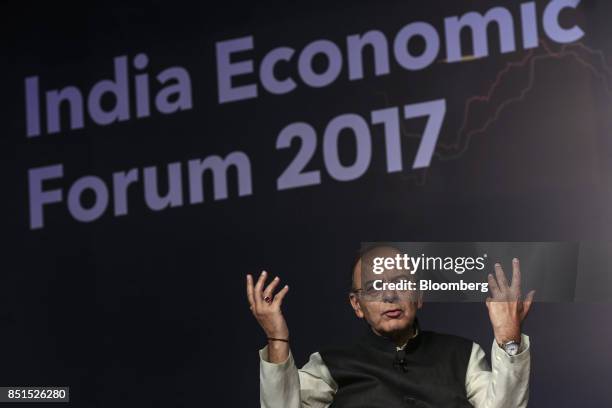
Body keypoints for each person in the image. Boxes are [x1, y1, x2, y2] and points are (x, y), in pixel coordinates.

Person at [246, 246, 535, 407]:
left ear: (419, 295)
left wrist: (509, 338)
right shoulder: (330, 366)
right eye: (374, 288)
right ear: (356, 305)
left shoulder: (463, 355)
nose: (389, 295)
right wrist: (277, 338)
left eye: (400, 283)